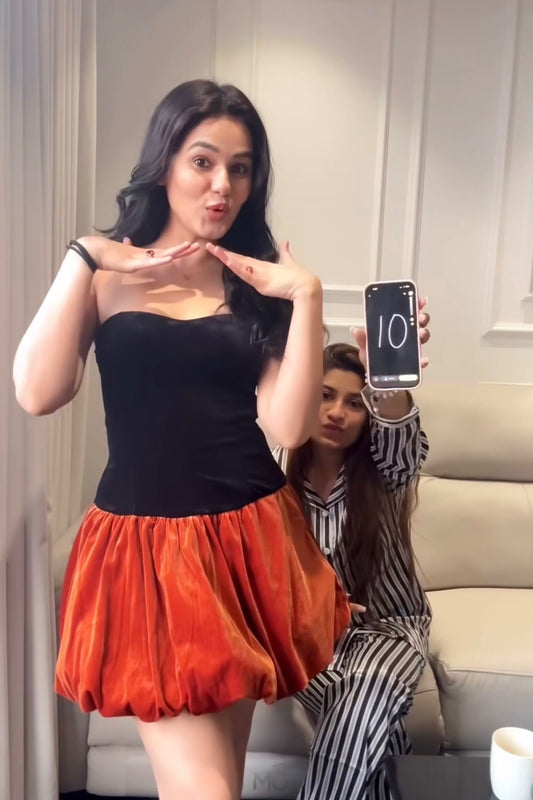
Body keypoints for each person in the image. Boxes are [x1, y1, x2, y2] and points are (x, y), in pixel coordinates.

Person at [13, 79, 350, 800]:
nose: (222, 184)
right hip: (147, 557)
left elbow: (289, 427)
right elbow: (37, 392)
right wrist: (84, 256)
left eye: (240, 168)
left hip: (247, 542)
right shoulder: (104, 275)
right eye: (203, 161)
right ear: (164, 161)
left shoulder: (257, 284)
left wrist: (306, 297)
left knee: (212, 784)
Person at [274, 323, 432, 800]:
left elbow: (403, 443)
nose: (337, 412)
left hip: (388, 627)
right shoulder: (272, 473)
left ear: (368, 415)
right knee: (368, 713)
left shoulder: (384, 471)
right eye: (325, 395)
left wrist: (389, 384)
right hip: (305, 636)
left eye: (354, 403)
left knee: (368, 688)